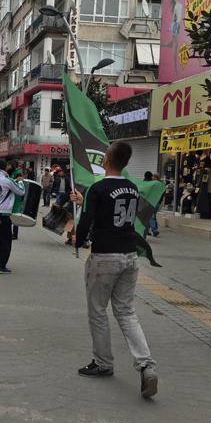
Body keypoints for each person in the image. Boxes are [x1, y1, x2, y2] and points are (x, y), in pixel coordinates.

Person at [70, 141, 158, 399]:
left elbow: (87, 220)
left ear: (106, 160)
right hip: (129, 255)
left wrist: (78, 238)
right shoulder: (130, 187)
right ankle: (146, 365)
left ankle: (103, 363)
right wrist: (83, 199)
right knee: (127, 312)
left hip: (104, 256)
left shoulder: (97, 187)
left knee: (98, 311)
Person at [0, 159, 25, 274]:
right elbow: (21, 192)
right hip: (3, 215)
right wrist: (20, 182)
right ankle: (1, 265)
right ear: (6, 167)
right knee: (6, 241)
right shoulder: (7, 180)